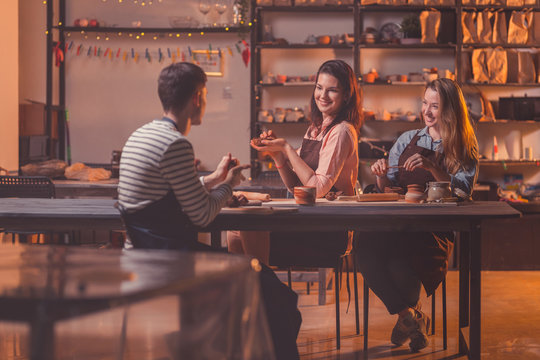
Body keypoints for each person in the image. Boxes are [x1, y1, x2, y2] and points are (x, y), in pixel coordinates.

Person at [118, 62, 302, 359]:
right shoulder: (176, 144)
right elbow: (203, 215)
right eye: (204, 94)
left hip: (139, 257)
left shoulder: (141, 136)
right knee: (276, 296)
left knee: (265, 288)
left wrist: (214, 179)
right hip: (172, 263)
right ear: (197, 98)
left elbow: (167, 193)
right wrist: (230, 184)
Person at [356, 78, 479, 352]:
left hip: (431, 233)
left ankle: (407, 319)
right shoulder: (407, 139)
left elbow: (463, 193)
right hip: (395, 225)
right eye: (425, 103)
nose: (428, 111)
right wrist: (379, 176)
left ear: (451, 111)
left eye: (436, 106)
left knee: (400, 265)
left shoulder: (463, 147)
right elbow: (389, 188)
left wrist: (434, 168)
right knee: (363, 250)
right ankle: (410, 317)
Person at [228, 59, 362, 268]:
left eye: (332, 90)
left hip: (330, 228)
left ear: (346, 95)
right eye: (319, 87)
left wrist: (287, 148)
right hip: (309, 219)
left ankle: (261, 290)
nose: (322, 96)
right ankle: (249, 289)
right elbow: (297, 188)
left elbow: (316, 189)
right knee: (236, 229)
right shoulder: (316, 128)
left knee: (249, 226)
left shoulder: (342, 131)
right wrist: (277, 155)